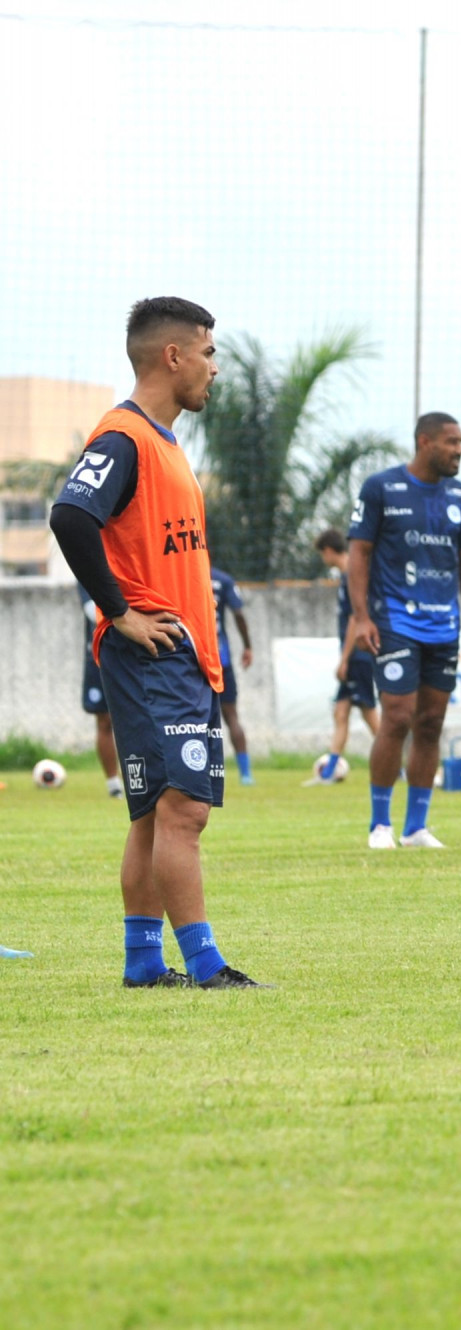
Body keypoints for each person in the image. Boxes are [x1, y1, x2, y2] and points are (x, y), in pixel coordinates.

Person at [46, 296, 268, 989]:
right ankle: (205, 965)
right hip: (152, 653)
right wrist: (122, 613)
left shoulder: (165, 446)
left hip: (182, 655)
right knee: (183, 808)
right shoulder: (125, 437)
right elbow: (69, 516)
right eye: (207, 352)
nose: (215, 368)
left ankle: (144, 963)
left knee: (151, 812)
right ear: (172, 356)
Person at [347, 412, 461, 849]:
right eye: (452, 442)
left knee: (431, 723)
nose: (459, 450)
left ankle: (416, 828)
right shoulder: (381, 488)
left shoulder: (459, 496)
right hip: (395, 620)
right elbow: (359, 554)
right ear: (425, 442)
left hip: (443, 626)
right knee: (399, 718)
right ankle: (380, 825)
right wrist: (362, 617)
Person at [310, 528, 379, 783]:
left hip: (358, 656)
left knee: (370, 715)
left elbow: (355, 619)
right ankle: (329, 771)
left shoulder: (353, 575)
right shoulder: (346, 575)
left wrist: (345, 659)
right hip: (353, 656)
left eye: (322, 554)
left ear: (328, 551)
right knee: (341, 713)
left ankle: (398, 766)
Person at [209, 565, 254, 785]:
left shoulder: (182, 574)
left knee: (194, 720)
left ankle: (200, 771)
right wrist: (247, 646)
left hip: (192, 657)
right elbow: (238, 613)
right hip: (220, 658)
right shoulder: (222, 579)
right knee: (231, 716)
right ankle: (246, 774)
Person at [79, 587, 125, 797]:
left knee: (138, 718)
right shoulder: (89, 560)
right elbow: (91, 610)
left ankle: (142, 779)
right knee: (104, 720)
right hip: (100, 654)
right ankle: (113, 784)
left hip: (133, 653)